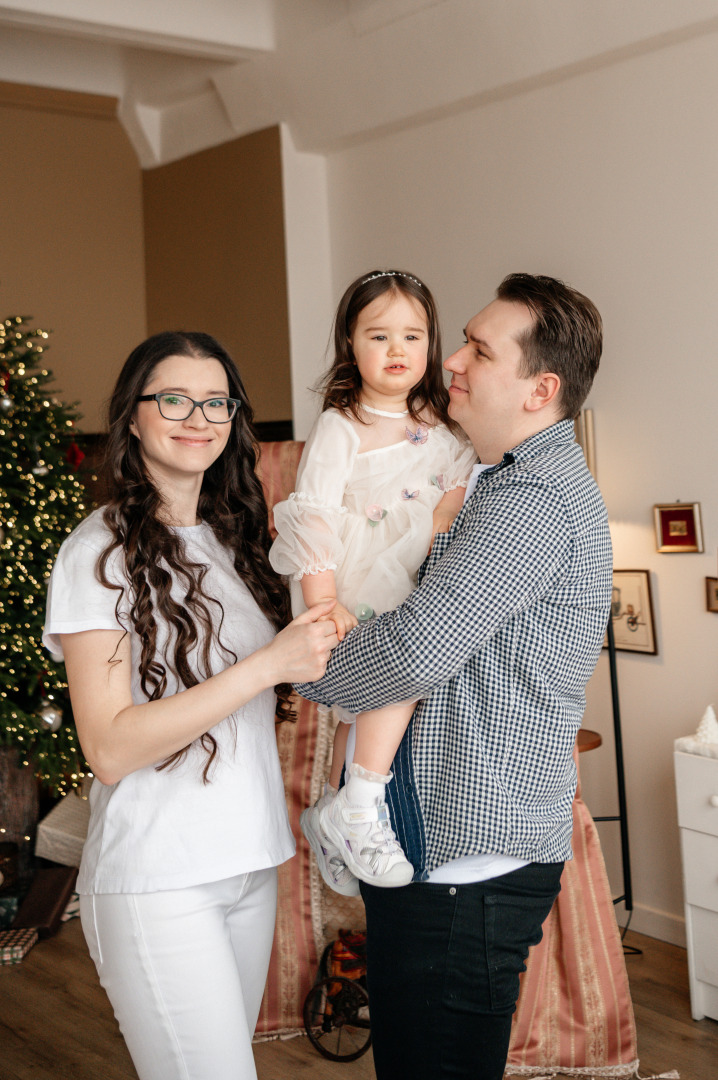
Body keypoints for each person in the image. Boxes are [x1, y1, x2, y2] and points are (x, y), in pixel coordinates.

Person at [295, 273, 613, 1080]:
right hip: (446, 850)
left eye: (478, 349)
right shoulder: (491, 480)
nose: (451, 361)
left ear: (540, 389)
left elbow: (413, 651)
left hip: (464, 869)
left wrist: (298, 661)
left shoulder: (533, 499)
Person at [42, 331, 338, 1080]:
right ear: (133, 416)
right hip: (159, 876)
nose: (197, 416)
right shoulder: (96, 552)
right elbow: (108, 747)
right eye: (173, 397)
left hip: (249, 861)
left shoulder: (233, 541)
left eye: (216, 401)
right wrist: (268, 663)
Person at [269, 269, 475, 893]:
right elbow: (315, 514)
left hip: (426, 568)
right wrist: (323, 603)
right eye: (378, 336)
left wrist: (446, 513)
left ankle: (336, 812)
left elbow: (462, 481)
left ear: (431, 344)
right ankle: (359, 804)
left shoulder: (444, 420)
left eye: (412, 336)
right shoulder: (343, 423)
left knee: (365, 708)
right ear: (350, 345)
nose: (397, 351)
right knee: (393, 676)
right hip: (360, 573)